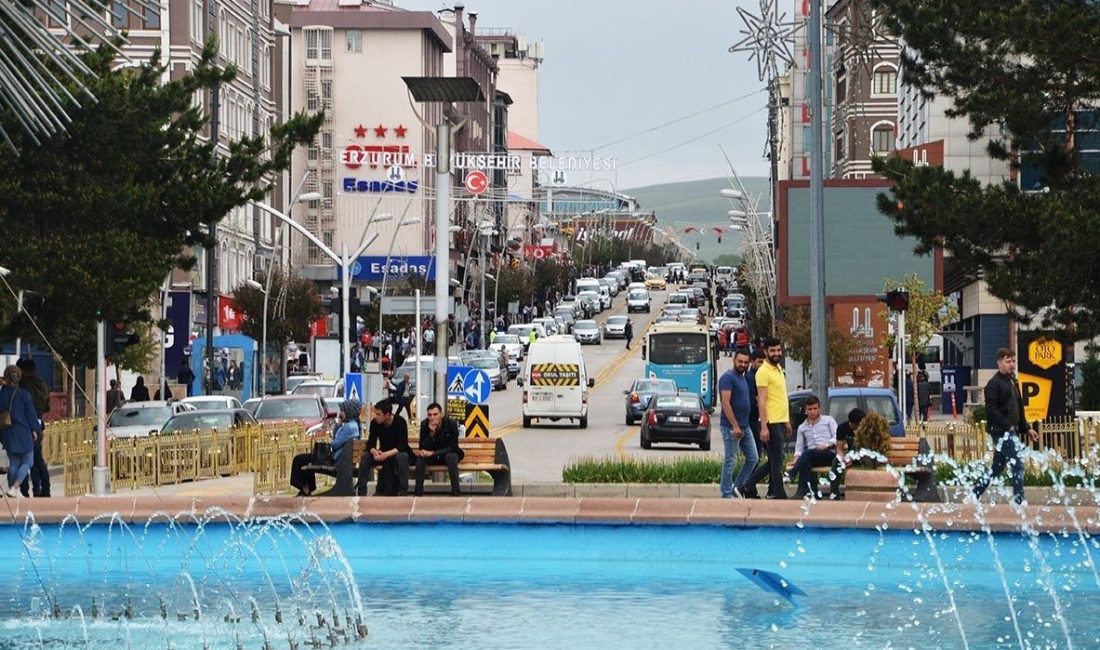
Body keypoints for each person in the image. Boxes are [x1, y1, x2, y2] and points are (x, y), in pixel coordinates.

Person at [972, 348, 1038, 505]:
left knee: (997, 468)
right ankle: (1019, 500)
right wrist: (1008, 426)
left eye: (1013, 361)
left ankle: (974, 495)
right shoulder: (993, 384)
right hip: (1002, 432)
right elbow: (991, 411)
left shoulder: (1012, 382)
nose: (1012, 365)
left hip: (1010, 430)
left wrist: (1027, 428)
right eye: (1008, 361)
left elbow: (1019, 408)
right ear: (999, 363)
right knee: (1017, 462)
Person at [288, 398, 363, 496]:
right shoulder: (354, 425)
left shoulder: (349, 427)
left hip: (336, 460)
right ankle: (307, 488)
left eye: (343, 411)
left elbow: (335, 444)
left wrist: (338, 424)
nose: (340, 413)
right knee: (308, 460)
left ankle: (306, 489)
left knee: (299, 459)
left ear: (349, 412)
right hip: (342, 460)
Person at [747, 337, 791, 499]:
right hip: (770, 422)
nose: (776, 353)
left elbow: (780, 397)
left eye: (778, 350)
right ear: (766, 352)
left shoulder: (778, 368)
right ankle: (779, 494)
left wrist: (786, 421)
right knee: (776, 461)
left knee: (774, 460)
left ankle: (747, 485)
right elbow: (762, 400)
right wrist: (764, 427)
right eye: (772, 351)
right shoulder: (763, 372)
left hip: (779, 420)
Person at [718, 349, 758, 499]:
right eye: (740, 361)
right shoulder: (727, 378)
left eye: (746, 362)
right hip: (731, 427)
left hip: (745, 426)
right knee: (731, 460)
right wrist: (734, 425)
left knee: (753, 458)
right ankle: (726, 492)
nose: (743, 364)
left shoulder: (742, 378)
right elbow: (725, 403)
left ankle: (737, 487)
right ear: (734, 360)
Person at [1, 365, 42, 498]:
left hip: (6, 431)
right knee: (28, 461)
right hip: (22, 431)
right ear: (19, 378)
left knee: (14, 462)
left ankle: (12, 489)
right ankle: (15, 487)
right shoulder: (24, 394)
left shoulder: (2, 393)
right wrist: (35, 429)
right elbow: (31, 414)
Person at [787, 395, 838, 499]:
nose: (813, 411)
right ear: (805, 410)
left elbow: (837, 437)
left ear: (819, 408)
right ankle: (812, 493)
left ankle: (791, 474)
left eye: (815, 408)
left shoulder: (828, 420)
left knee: (808, 453)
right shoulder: (802, 427)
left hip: (828, 454)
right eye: (810, 409)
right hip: (811, 456)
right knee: (807, 460)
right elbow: (799, 447)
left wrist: (827, 445)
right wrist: (797, 458)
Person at [356, 399, 411, 496]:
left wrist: (386, 454)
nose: (375, 417)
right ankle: (361, 492)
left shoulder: (400, 422)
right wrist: (375, 452)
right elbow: (371, 444)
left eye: (378, 414)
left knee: (402, 457)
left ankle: (403, 492)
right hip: (382, 453)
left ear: (387, 414)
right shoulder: (375, 423)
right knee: (365, 457)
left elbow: (402, 446)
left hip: (396, 453)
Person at [412, 402, 464, 496]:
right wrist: (431, 434)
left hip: (446, 454)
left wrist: (433, 453)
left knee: (451, 457)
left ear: (441, 414)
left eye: (435, 414)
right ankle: (418, 492)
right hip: (432, 456)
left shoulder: (451, 424)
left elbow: (453, 447)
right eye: (430, 415)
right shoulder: (425, 424)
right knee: (420, 459)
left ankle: (456, 491)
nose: (432, 417)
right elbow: (422, 447)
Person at [17, 359, 50, 498]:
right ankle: (43, 489)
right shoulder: (42, 384)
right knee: (37, 459)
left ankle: (24, 490)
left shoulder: (22, 385)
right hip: (38, 423)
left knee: (23, 459)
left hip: (25, 425)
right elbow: (47, 406)